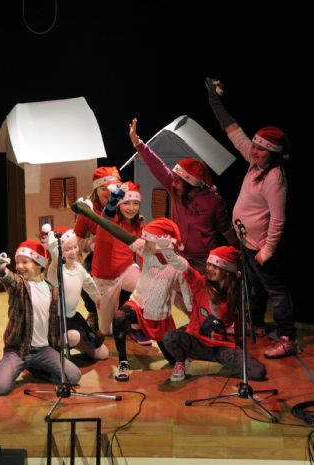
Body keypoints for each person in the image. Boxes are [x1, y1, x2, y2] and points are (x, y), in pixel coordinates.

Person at [205, 77, 298, 358]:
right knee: (255, 286)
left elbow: (278, 219)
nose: (254, 151)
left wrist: (267, 250)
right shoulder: (256, 163)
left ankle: (288, 338)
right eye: (254, 146)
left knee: (276, 290)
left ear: (273, 153)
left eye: (260, 148)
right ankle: (256, 325)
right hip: (248, 242)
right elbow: (234, 132)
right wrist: (214, 100)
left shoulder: (274, 178)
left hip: (261, 246)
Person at [70, 200, 192, 382]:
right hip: (137, 306)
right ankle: (123, 362)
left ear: (164, 242)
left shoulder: (180, 266)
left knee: (173, 357)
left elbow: (188, 295)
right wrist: (89, 213)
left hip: (160, 317)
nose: (145, 242)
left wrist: (193, 320)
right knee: (119, 317)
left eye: (150, 240)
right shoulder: (147, 250)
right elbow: (117, 232)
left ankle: (181, 360)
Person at [128, 118, 236, 272]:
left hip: (203, 261)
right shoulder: (175, 191)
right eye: (174, 179)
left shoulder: (213, 201)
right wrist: (138, 144)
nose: (173, 184)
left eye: (178, 181)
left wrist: (238, 252)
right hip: (178, 255)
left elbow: (226, 230)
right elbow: (158, 166)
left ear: (191, 184)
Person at [160, 244, 267, 382]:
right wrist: (166, 249)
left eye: (215, 266)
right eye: (209, 264)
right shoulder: (200, 284)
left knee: (258, 372)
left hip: (219, 347)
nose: (209, 269)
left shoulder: (235, 295)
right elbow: (184, 267)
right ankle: (181, 362)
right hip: (196, 341)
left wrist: (238, 350)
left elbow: (239, 324)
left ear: (227, 271)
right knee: (170, 337)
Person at [0, 240, 82, 396]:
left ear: (39, 265)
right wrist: (1, 270)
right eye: (17, 262)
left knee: (73, 376)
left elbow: (52, 325)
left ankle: (34, 369)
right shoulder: (20, 286)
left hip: (43, 350)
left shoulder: (52, 291)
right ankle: (8, 366)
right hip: (18, 350)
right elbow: (10, 280)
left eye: (25, 262)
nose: (19, 266)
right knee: (0, 388)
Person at [41, 225, 108, 361]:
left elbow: (89, 283)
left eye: (75, 247)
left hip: (73, 318)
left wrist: (98, 299)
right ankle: (51, 348)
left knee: (103, 354)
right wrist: (51, 241)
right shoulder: (56, 268)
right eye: (67, 249)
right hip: (56, 321)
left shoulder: (78, 268)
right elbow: (55, 254)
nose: (73, 252)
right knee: (73, 337)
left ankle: (79, 344)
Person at [73, 166, 122, 331]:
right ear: (96, 189)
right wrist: (90, 244)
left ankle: (126, 313)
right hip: (97, 254)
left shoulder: (125, 205)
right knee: (82, 275)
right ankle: (93, 312)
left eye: (113, 188)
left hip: (121, 254)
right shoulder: (88, 210)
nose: (109, 192)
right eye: (104, 188)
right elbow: (76, 237)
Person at [91, 181, 143, 336]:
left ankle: (135, 324)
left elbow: (142, 251)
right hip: (105, 277)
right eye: (126, 203)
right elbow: (109, 212)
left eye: (135, 203)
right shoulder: (109, 219)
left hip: (126, 268)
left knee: (147, 290)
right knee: (106, 331)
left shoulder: (138, 223)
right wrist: (114, 199)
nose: (131, 208)